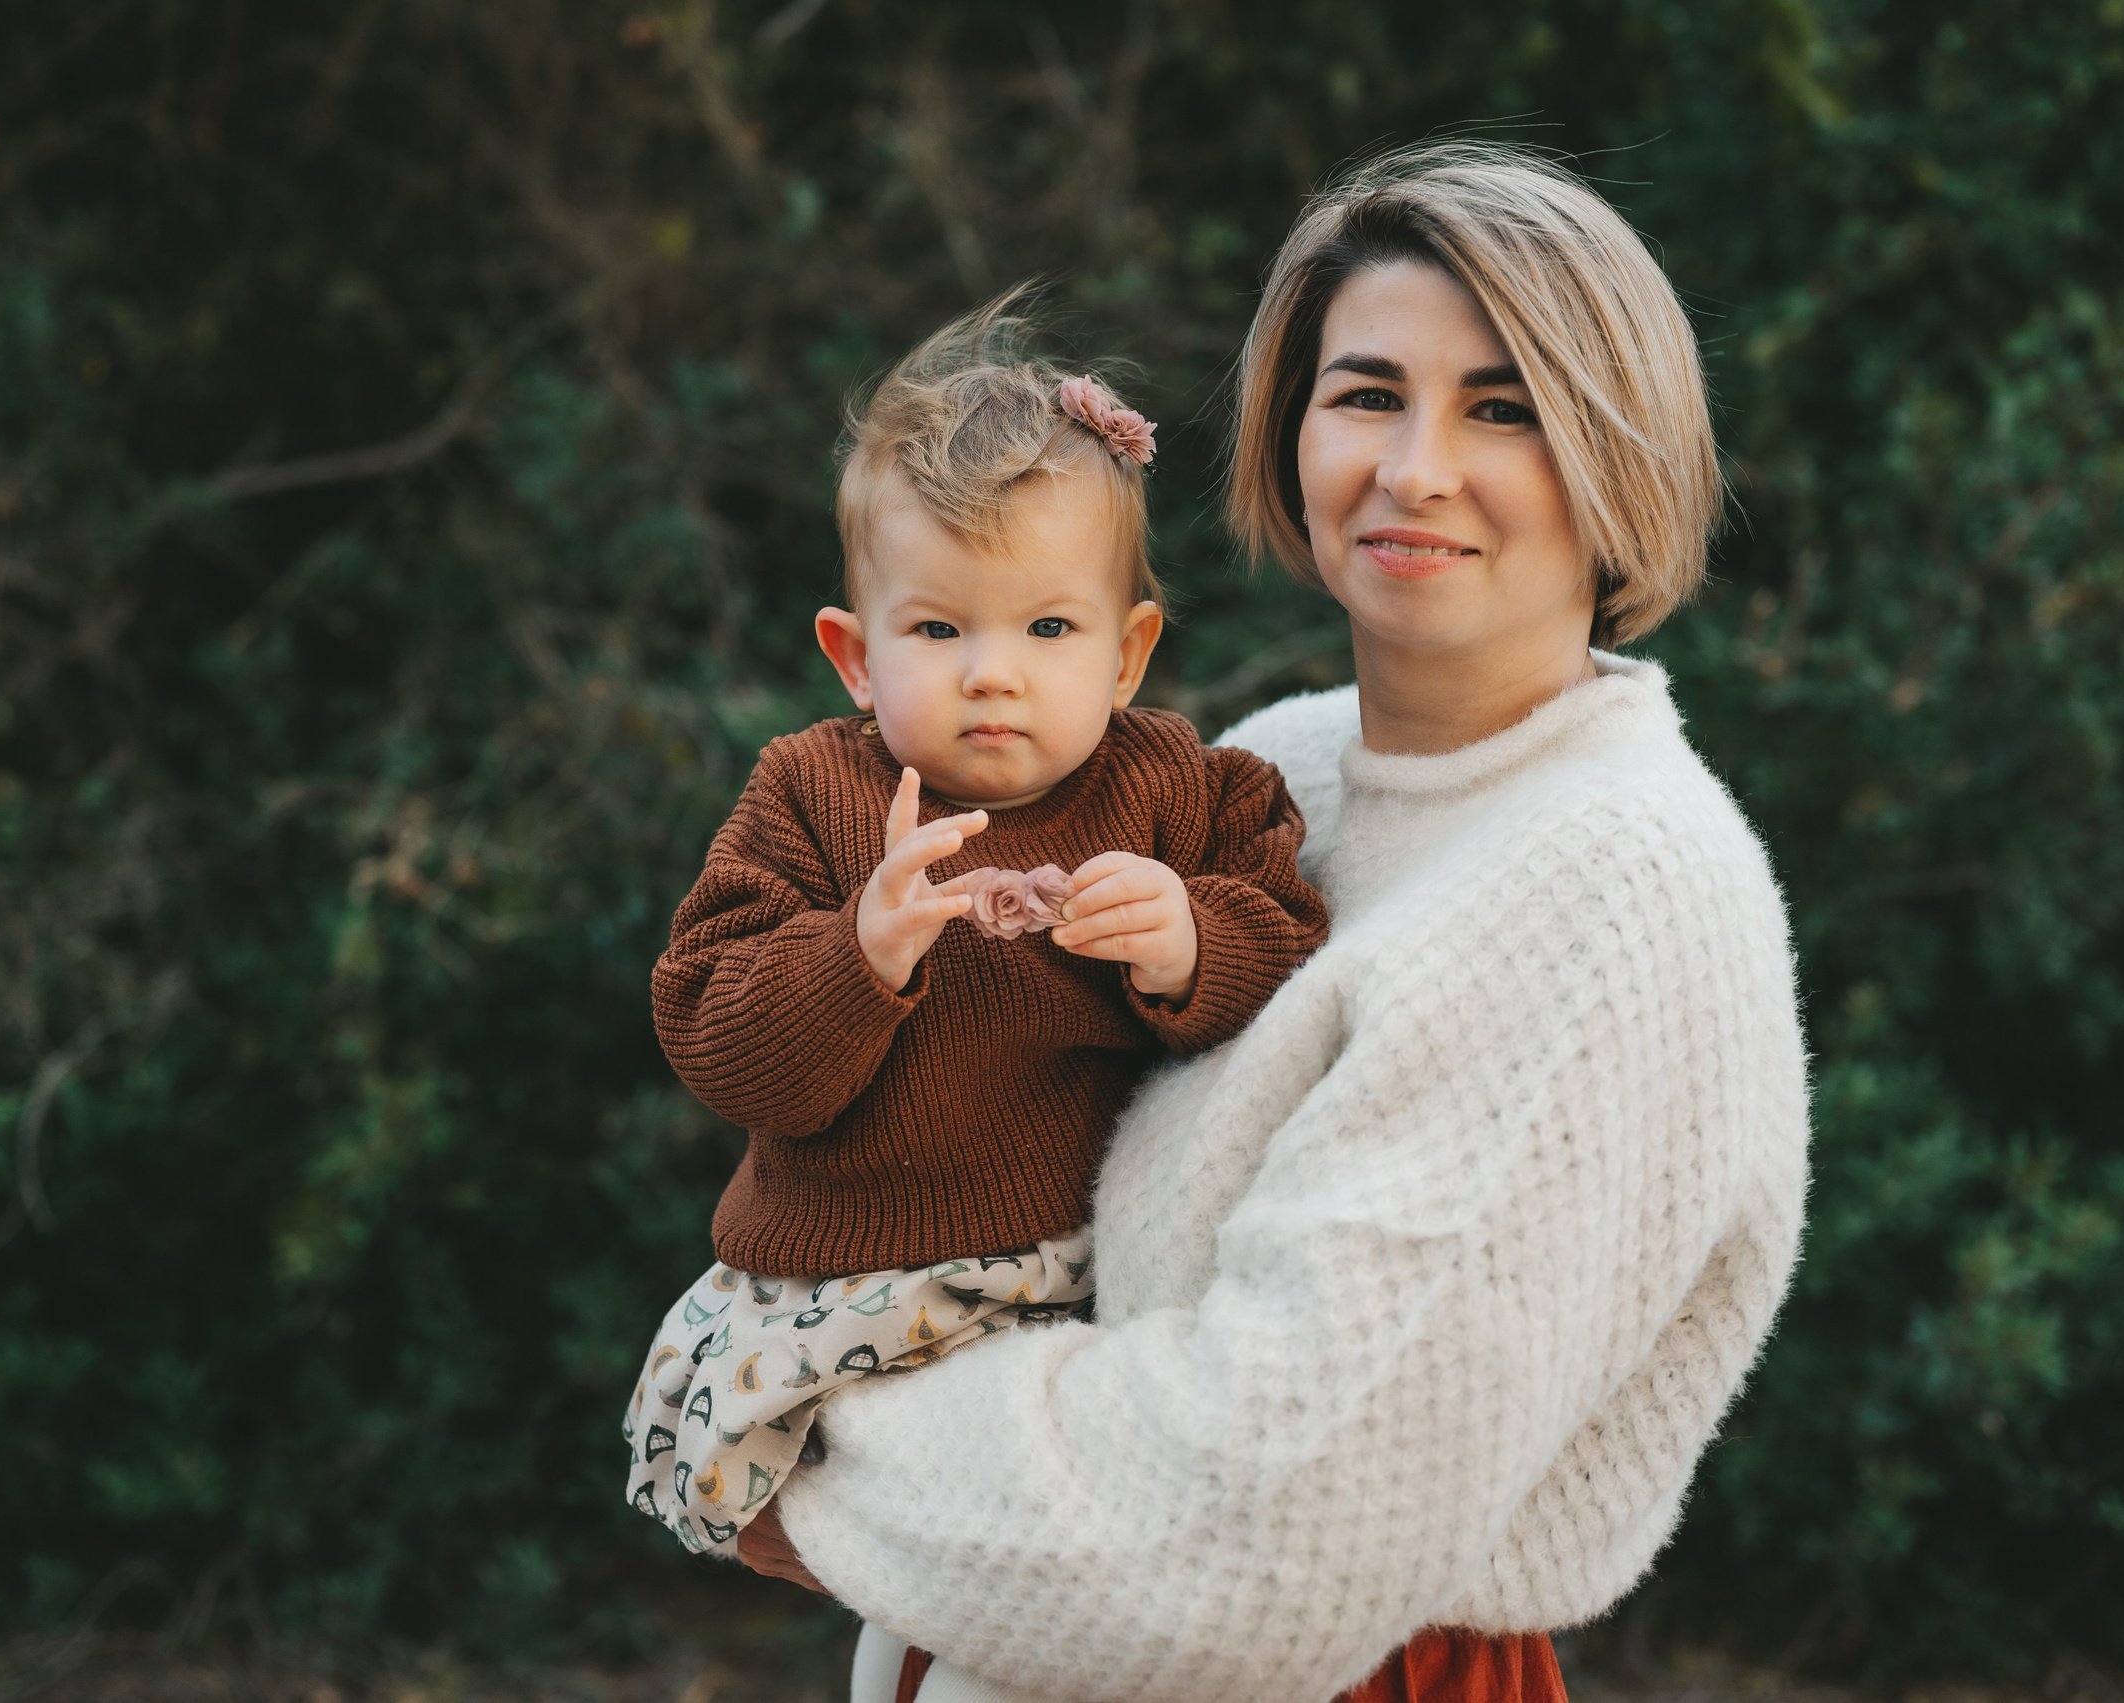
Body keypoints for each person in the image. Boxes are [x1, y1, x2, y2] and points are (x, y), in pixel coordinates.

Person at [737, 142, 1813, 1703]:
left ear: (1618, 453)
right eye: (1366, 392)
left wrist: (808, 1437)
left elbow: (1270, 1527)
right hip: (1016, 1633)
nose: (1415, 466)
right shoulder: (1277, 771)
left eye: (1501, 407)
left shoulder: (1613, 887)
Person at [623, 303, 1330, 1560]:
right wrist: (859, 951)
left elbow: (1288, 928)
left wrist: (1186, 942)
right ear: (856, 654)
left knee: (1070, 1553)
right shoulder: (812, 793)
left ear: (1127, 654)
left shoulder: (1169, 786)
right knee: (804, 1521)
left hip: (1073, 1285)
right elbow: (712, 1030)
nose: (992, 671)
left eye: (1047, 628)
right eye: (939, 628)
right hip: (840, 1281)